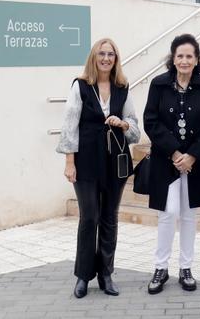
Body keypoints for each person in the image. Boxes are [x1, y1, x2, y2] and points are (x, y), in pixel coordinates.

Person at [56, 38, 140, 298]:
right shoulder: (80, 86)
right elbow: (69, 125)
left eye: (111, 54)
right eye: (102, 54)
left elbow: (135, 129)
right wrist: (69, 161)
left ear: (116, 59)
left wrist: (123, 124)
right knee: (89, 216)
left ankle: (106, 273)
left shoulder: (122, 88)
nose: (106, 58)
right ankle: (83, 275)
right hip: (86, 161)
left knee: (109, 217)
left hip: (116, 162)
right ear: (94, 57)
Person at [143, 33, 200, 294]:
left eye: (189, 56)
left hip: (196, 161)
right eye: (180, 56)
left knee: (189, 215)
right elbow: (151, 121)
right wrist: (175, 153)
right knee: (168, 213)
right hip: (167, 160)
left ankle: (186, 268)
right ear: (173, 58)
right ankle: (160, 267)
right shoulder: (158, 84)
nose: (185, 60)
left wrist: (192, 156)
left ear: (197, 59)